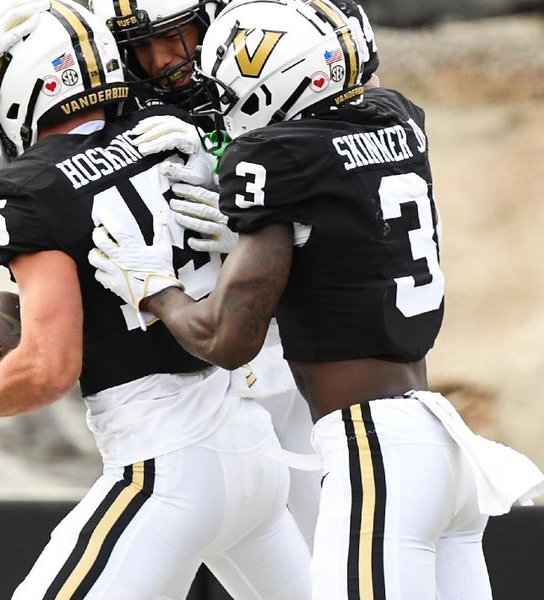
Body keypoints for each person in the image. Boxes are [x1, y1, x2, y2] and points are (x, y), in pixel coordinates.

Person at [88, 0, 544, 598]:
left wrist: (157, 290)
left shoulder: (273, 160)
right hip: (442, 446)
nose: (221, 102)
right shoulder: (397, 116)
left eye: (230, 87)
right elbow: (338, 210)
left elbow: (228, 341)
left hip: (375, 451)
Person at [0, 1, 311, 598]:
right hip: (255, 454)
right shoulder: (168, 133)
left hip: (164, 465)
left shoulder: (23, 191)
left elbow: (46, 367)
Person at [87, 0, 382, 548]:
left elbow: (359, 215)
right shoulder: (120, 116)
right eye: (138, 48)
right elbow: (27, 202)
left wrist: (266, 233)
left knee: (333, 547)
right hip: (195, 382)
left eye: (177, 34)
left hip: (293, 359)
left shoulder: (275, 63)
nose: (162, 60)